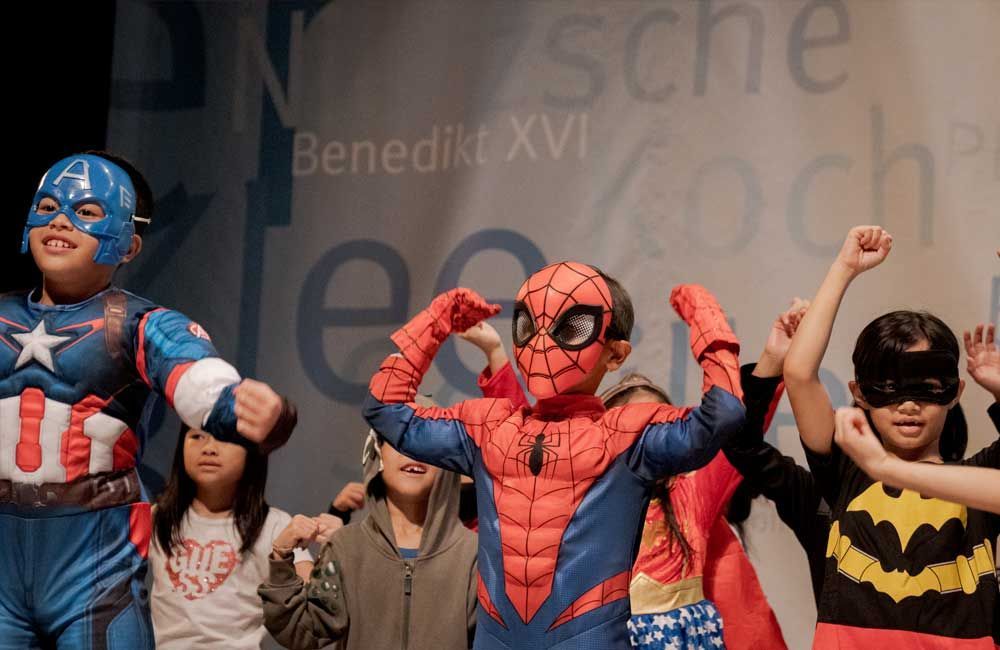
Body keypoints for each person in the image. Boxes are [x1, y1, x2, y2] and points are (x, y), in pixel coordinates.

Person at [363, 262, 745, 649]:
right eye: (528, 325)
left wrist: (707, 322)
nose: (543, 342)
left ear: (615, 354)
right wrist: (436, 321)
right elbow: (385, 410)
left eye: (572, 327)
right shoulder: (489, 427)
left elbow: (723, 416)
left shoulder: (628, 436)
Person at [0, 152, 295, 649]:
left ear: (128, 244)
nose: (61, 220)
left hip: (94, 581)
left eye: (87, 211)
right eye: (48, 206)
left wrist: (247, 409)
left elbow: (198, 380)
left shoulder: (140, 325)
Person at [784, 226, 999, 648]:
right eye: (889, 388)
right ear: (860, 393)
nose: (908, 405)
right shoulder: (846, 469)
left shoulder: (980, 484)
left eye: (927, 388)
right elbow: (798, 373)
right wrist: (844, 267)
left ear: (955, 392)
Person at [259, 412, 479, 650]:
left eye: (427, 442)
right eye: (399, 438)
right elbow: (303, 631)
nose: (413, 451)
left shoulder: (473, 554)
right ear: (377, 453)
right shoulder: (345, 547)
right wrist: (281, 557)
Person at [150, 424, 316, 648]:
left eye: (224, 437)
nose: (209, 448)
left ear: (252, 449)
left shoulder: (275, 526)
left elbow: (312, 609)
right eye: (197, 436)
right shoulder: (158, 518)